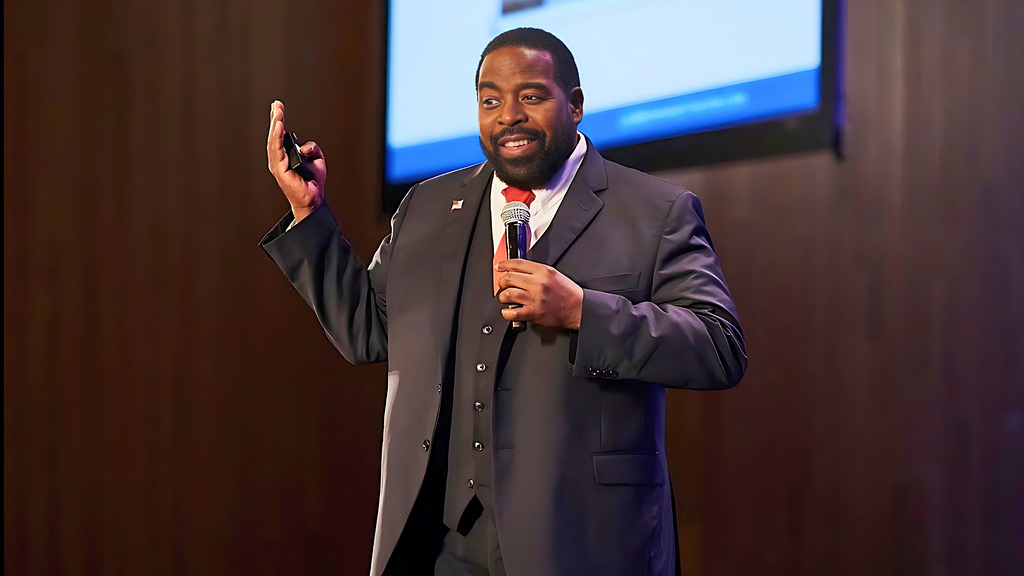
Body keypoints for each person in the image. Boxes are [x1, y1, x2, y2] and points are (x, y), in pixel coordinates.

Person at [262, 27, 745, 576]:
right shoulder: (426, 207)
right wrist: (310, 216)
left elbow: (719, 346)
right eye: (490, 100)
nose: (508, 115)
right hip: (438, 545)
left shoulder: (656, 211)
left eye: (531, 96)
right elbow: (367, 330)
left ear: (577, 105)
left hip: (582, 544)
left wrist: (584, 311)